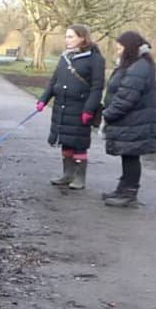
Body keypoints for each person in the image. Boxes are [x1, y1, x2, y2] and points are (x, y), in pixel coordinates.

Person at [35, 24, 106, 190]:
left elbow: (97, 87)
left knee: (79, 143)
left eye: (71, 36)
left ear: (82, 38)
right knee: (65, 141)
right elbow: (54, 80)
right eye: (66, 36)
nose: (67, 40)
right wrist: (43, 99)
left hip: (80, 107)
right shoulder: (65, 57)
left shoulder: (95, 59)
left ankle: (80, 177)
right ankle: (67, 174)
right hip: (62, 106)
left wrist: (89, 109)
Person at [101, 31, 156, 207]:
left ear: (129, 47)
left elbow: (127, 97)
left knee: (131, 155)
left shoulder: (139, 67)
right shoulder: (132, 64)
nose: (117, 49)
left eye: (120, 46)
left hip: (135, 120)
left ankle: (129, 193)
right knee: (128, 155)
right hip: (131, 120)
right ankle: (123, 188)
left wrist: (108, 114)